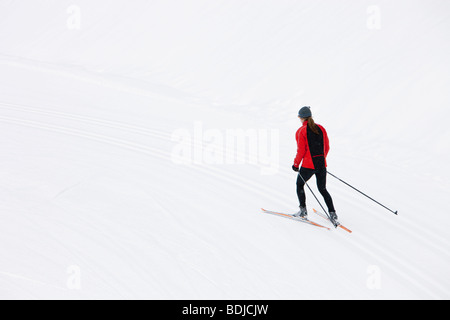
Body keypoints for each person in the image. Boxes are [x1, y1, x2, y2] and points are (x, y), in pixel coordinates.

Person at [292, 106, 337, 222]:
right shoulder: (321, 128)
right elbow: (326, 147)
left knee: (299, 185)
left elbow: (301, 151)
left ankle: (303, 211)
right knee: (322, 189)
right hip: (321, 165)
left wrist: (296, 164)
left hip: (308, 166)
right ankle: (333, 213)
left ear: (301, 118)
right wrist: (321, 160)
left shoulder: (301, 131)